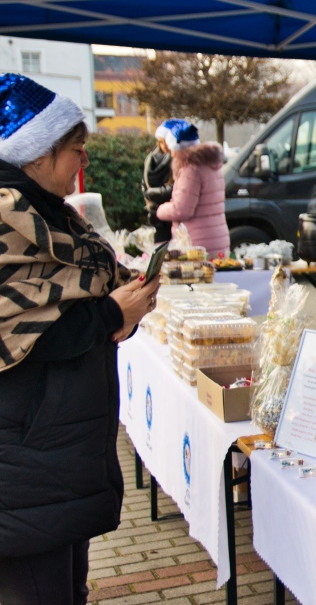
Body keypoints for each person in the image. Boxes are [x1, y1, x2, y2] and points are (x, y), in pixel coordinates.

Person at [0, 74, 160, 604]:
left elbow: (68, 311)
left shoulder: (49, 214)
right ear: (36, 154)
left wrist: (122, 314)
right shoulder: (8, 220)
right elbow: (24, 332)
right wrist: (109, 311)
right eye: (74, 150)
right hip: (26, 456)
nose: (81, 163)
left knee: (68, 587)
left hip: (55, 449)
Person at [155, 124, 230, 256]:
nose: (171, 154)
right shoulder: (211, 165)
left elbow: (182, 209)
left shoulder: (190, 170)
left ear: (178, 148)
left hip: (197, 243)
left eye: (172, 149)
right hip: (218, 238)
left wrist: (160, 210)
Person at [142, 119, 193, 243]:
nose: (163, 146)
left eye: (165, 142)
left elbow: (177, 188)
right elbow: (145, 184)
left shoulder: (180, 160)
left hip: (174, 215)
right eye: (160, 142)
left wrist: (150, 194)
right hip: (156, 216)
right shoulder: (152, 160)